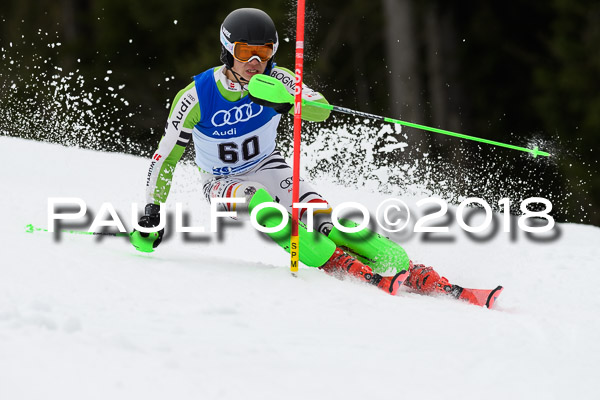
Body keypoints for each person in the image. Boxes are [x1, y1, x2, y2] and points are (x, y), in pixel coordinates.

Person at [130, 8, 502, 308]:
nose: (255, 62)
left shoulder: (279, 79)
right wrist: (152, 210)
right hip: (222, 182)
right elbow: (165, 157)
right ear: (227, 50)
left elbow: (320, 109)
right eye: (245, 52)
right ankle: (331, 259)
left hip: (270, 167)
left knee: (323, 216)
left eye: (265, 53)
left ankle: (401, 265)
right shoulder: (196, 96)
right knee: (263, 207)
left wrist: (289, 102)